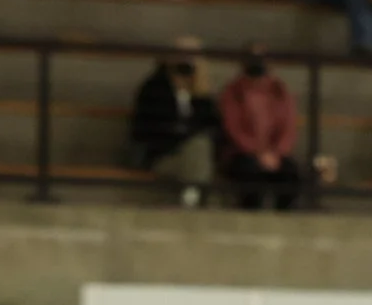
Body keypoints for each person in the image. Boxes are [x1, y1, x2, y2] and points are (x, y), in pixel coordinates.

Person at [130, 37, 219, 206]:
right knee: (198, 150)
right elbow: (146, 129)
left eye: (192, 56)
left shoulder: (201, 92)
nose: (186, 60)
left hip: (195, 154)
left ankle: (191, 199)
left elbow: (211, 125)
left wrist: (200, 94)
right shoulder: (154, 88)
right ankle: (195, 202)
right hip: (164, 155)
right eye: (182, 54)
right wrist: (183, 135)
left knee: (199, 148)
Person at [219, 44, 303, 211]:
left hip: (276, 155)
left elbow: (288, 127)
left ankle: (284, 219)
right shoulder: (233, 91)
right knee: (250, 174)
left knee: (291, 173)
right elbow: (233, 128)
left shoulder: (279, 90)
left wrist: (277, 152)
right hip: (242, 153)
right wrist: (258, 153)